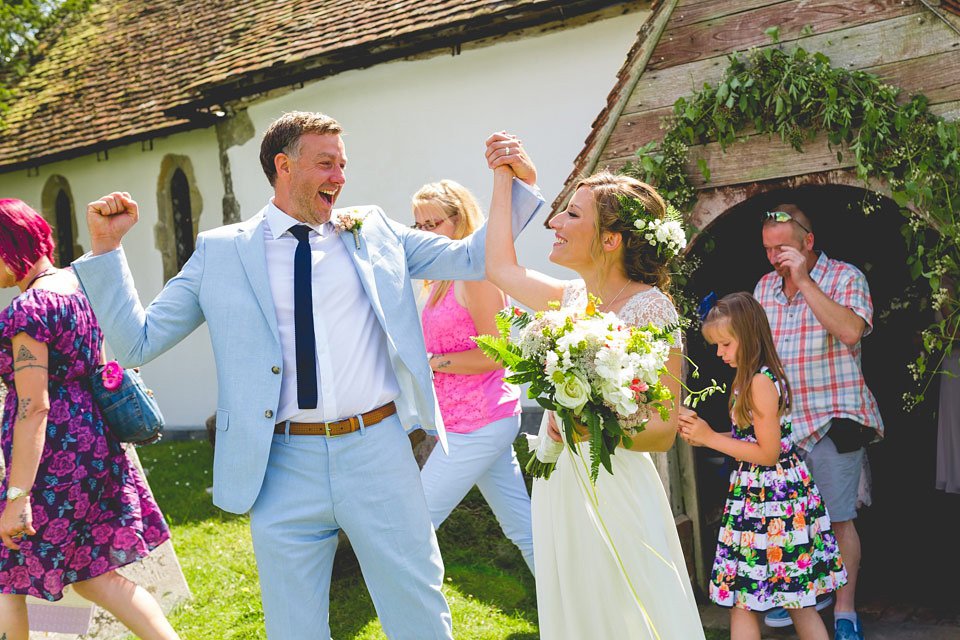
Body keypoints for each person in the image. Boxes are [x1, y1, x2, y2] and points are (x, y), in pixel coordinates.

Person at [74, 111, 544, 639]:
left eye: (343, 164)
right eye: (326, 163)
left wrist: (515, 183)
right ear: (283, 166)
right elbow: (139, 340)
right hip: (279, 464)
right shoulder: (223, 251)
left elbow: (476, 257)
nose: (340, 176)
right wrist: (107, 250)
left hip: (379, 450)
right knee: (294, 626)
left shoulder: (375, 231)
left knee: (418, 610)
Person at [483, 133, 704, 639]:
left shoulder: (652, 310)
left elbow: (663, 430)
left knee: (628, 615)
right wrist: (506, 179)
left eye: (572, 215)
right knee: (577, 613)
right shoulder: (568, 298)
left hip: (616, 485)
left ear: (611, 240)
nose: (554, 223)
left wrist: (585, 426)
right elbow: (498, 267)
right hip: (559, 480)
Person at [0, 199, 178, 640]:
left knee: (10, 577)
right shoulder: (79, 291)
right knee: (94, 574)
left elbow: (34, 406)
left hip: (51, 462)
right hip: (95, 448)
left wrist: (17, 497)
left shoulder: (26, 312)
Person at [678, 292, 847, 640]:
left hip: (771, 500)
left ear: (749, 337)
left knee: (771, 598)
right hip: (763, 496)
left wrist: (710, 437)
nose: (719, 353)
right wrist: (705, 435)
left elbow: (768, 453)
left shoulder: (760, 382)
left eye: (725, 344)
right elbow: (752, 437)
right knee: (779, 599)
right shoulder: (752, 377)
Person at [753, 205, 883, 640]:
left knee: (839, 519)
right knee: (784, 517)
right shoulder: (764, 288)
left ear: (808, 241)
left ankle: (844, 612)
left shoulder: (846, 277)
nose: (775, 258)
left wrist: (805, 282)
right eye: (769, 249)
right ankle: (799, 598)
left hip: (835, 418)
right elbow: (757, 353)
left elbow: (850, 331)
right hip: (784, 422)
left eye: (783, 247)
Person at [413, 180, 534, 573]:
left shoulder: (476, 275)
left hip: (480, 423)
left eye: (433, 223)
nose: (424, 233)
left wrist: (431, 363)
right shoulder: (439, 277)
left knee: (414, 526)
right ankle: (574, 617)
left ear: (459, 219)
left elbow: (497, 353)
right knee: (525, 531)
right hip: (463, 422)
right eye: (418, 225)